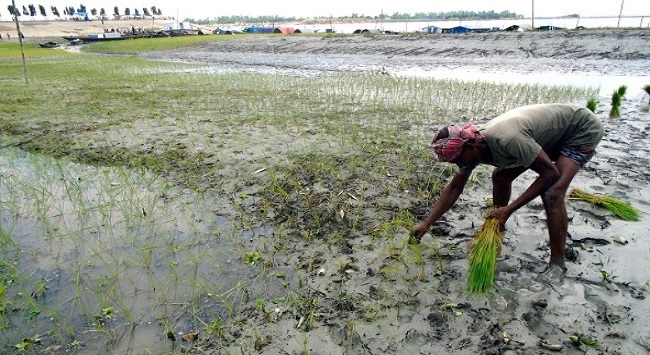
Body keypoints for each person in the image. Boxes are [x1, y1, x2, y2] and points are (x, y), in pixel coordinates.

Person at [411, 103, 604, 277]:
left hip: (579, 128)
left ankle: (557, 264)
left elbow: (550, 174)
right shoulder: (471, 149)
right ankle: (498, 226)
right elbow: (455, 188)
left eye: (458, 159)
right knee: (500, 176)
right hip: (542, 138)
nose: (459, 164)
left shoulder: (507, 139)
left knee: (553, 193)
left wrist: (510, 208)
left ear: (470, 145)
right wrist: (426, 224)